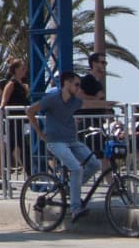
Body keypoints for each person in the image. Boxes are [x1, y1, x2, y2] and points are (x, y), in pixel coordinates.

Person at [26, 70, 111, 221]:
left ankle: (71, 187)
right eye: (77, 85)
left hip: (72, 141)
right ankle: (75, 208)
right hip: (56, 142)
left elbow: (90, 104)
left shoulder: (74, 101)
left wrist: (113, 104)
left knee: (94, 164)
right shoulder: (52, 99)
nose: (79, 89)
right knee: (76, 168)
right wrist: (39, 132)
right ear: (67, 83)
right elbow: (30, 110)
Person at [0, 58, 30, 178]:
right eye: (22, 68)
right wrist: (1, 118)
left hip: (20, 121)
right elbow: (3, 102)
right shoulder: (11, 84)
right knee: (10, 149)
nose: (24, 70)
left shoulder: (22, 84)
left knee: (23, 149)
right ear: (16, 70)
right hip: (12, 121)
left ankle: (30, 175)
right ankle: (3, 178)